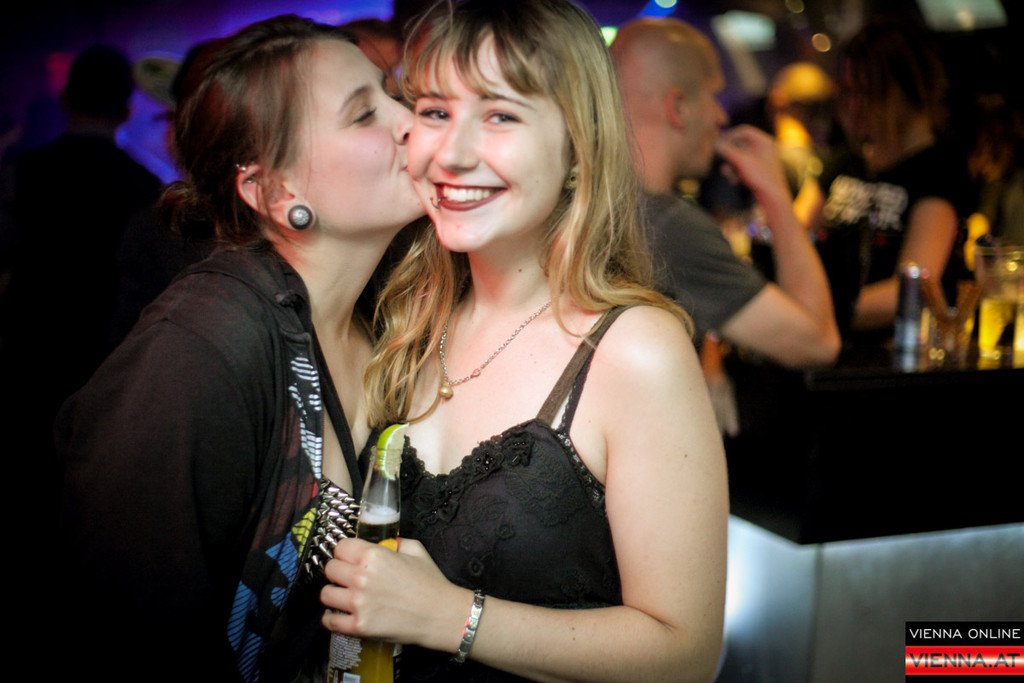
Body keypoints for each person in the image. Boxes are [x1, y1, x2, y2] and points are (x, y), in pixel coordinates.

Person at [320, 1, 729, 681]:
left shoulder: (634, 351)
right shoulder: (407, 321)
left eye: (501, 116)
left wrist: (449, 615)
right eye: (435, 111)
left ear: (577, 146)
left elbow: (686, 654)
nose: (452, 154)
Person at [54, 15, 424, 681]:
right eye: (365, 112)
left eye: (392, 93)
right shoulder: (202, 345)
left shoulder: (382, 314)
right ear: (276, 193)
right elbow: (117, 628)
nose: (408, 120)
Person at [610, 17, 840, 370]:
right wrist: (775, 194)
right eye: (713, 95)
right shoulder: (670, 225)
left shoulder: (598, 205)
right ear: (678, 107)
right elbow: (818, 344)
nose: (720, 116)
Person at [0, 44, 163, 481]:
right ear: (126, 110)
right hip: (106, 358)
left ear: (65, 99)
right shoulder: (147, 187)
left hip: (28, 350)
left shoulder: (22, 171)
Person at [807, 18, 973, 348]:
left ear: (905, 90)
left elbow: (912, 288)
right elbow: (796, 232)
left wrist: (817, 309)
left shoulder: (938, 169)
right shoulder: (845, 160)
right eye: (847, 91)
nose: (853, 106)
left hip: (894, 351)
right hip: (831, 341)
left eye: (866, 92)